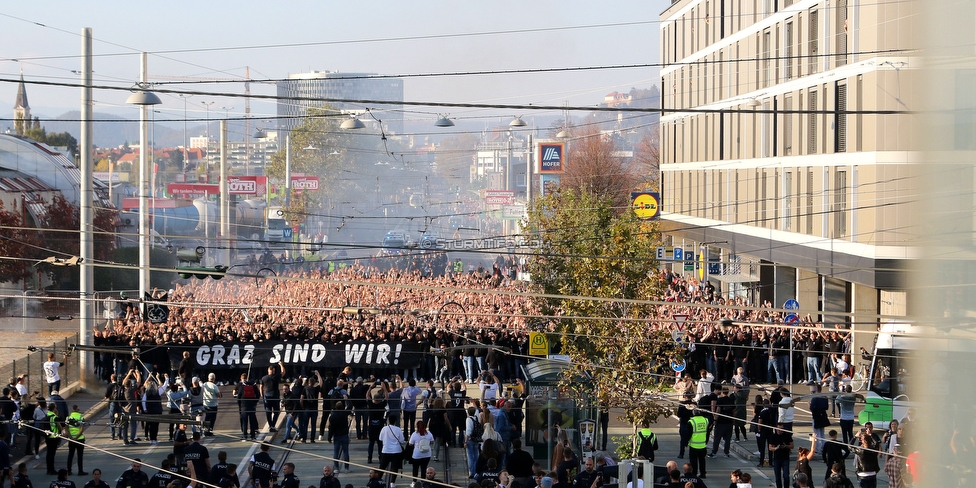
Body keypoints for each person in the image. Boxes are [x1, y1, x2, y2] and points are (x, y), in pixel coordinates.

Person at [378, 414, 405, 487]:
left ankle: (378, 480)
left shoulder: (384, 429)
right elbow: (402, 440)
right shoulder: (398, 429)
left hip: (386, 450)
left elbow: (380, 438)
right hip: (396, 451)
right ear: (395, 421)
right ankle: (392, 482)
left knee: (382, 467)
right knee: (394, 467)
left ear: (388, 420)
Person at [327, 401, 353, 473]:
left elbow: (331, 428)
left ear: (335, 407)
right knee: (346, 452)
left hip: (337, 436)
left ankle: (336, 468)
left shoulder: (332, 416)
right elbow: (350, 406)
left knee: (336, 452)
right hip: (344, 435)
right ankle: (346, 468)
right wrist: (347, 399)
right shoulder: (344, 413)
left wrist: (329, 437)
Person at [853, 423, 881, 488]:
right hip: (872, 473)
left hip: (863, 474)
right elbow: (877, 444)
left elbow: (849, 446)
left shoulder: (860, 451)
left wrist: (855, 437)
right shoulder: (874, 450)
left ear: (862, 441)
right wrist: (870, 435)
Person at [259, 362, 285, 433]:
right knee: (276, 411)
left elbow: (261, 387)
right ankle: (273, 425)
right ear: (273, 371)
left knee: (268, 411)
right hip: (275, 396)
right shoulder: (276, 376)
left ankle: (270, 425)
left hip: (267, 396)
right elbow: (283, 372)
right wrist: (281, 365)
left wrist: (262, 394)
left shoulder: (264, 378)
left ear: (268, 371)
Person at [767, 423, 793, 488]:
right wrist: (776, 448)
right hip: (777, 458)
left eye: (781, 429)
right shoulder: (773, 436)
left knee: (786, 476)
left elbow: (792, 446)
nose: (780, 430)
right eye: (778, 429)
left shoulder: (787, 436)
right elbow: (770, 447)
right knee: (778, 476)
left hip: (785, 458)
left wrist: (786, 446)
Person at [65, 404, 87, 475]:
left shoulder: (68, 418)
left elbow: (66, 428)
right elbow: (81, 429)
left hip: (71, 439)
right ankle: (80, 471)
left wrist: (71, 437)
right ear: (78, 410)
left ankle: (69, 471)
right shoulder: (81, 417)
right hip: (80, 439)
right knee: (80, 456)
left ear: (72, 410)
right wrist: (77, 437)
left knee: (70, 455)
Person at [687, 409, 708, 478]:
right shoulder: (705, 420)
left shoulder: (691, 421)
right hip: (703, 444)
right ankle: (703, 473)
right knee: (702, 460)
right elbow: (707, 432)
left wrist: (685, 442)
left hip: (694, 445)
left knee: (693, 461)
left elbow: (688, 434)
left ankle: (694, 473)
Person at [44, 402, 61, 475]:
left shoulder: (47, 415)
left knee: (48, 453)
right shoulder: (54, 417)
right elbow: (59, 426)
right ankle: (52, 469)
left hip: (48, 437)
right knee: (52, 454)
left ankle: (48, 469)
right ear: (54, 408)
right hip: (54, 437)